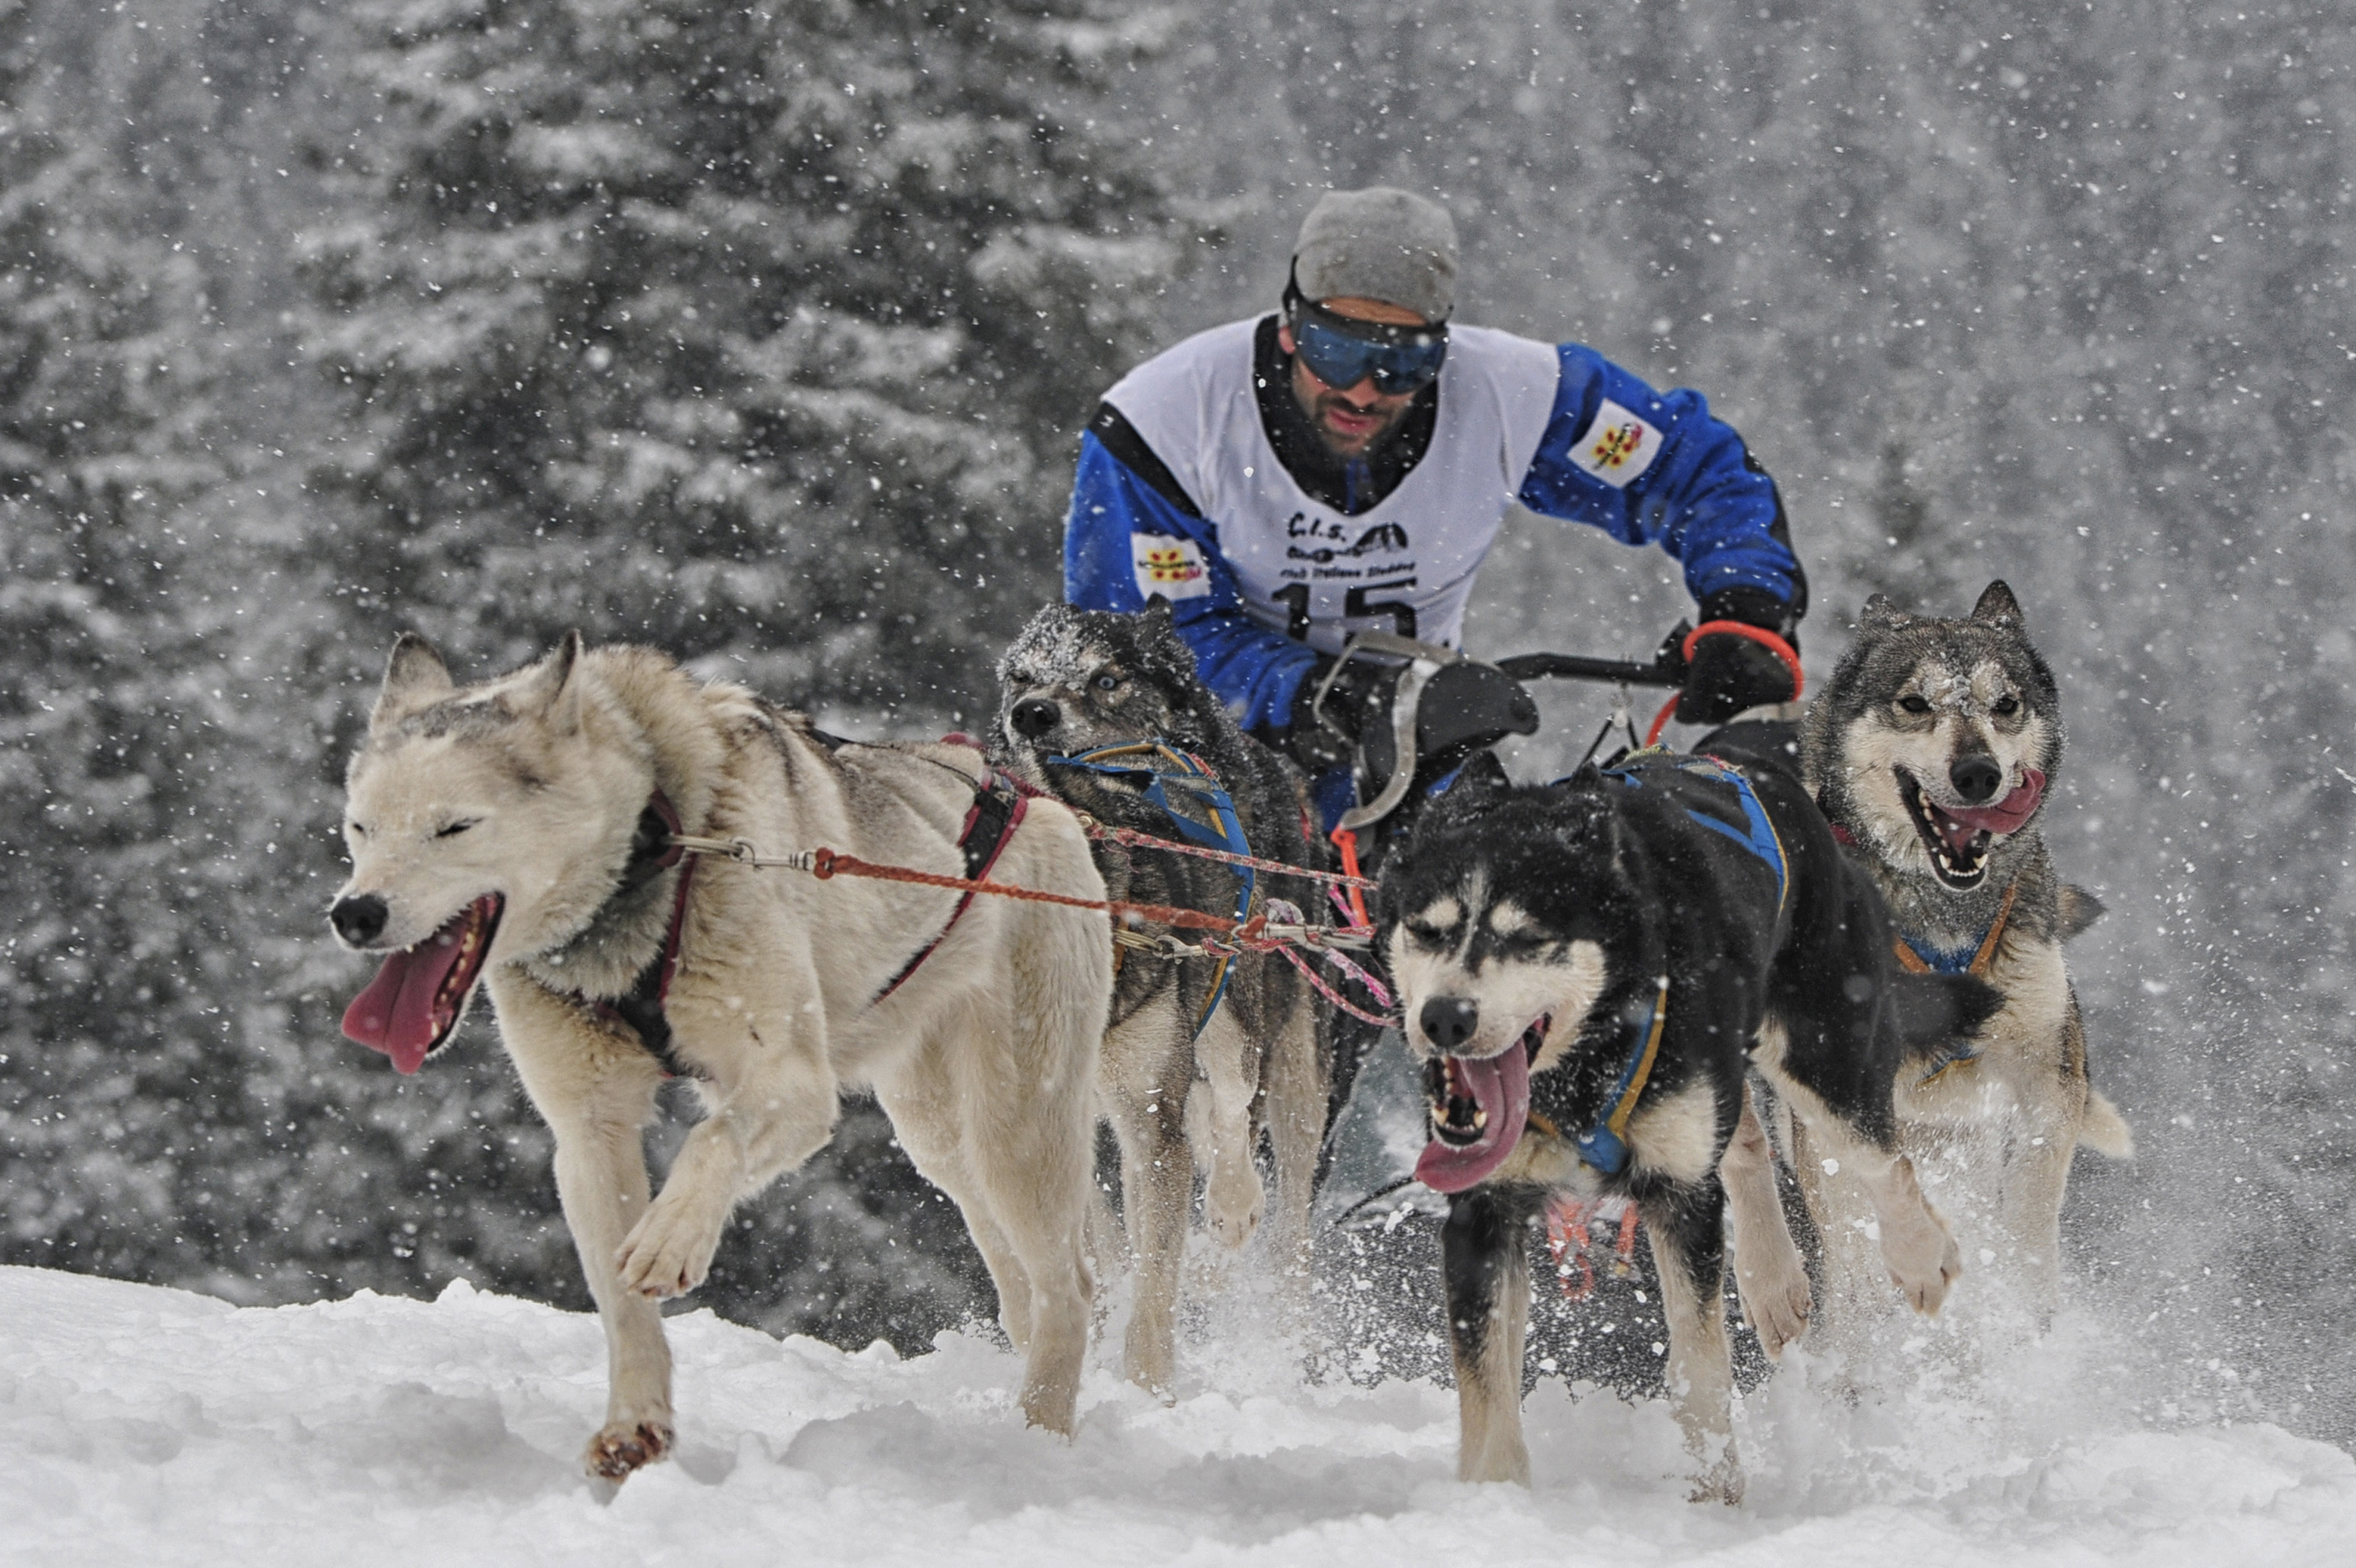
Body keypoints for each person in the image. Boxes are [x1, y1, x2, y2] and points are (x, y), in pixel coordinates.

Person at [1062, 185, 1807, 833]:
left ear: (1442, 349)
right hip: (1198, 758)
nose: (1361, 390)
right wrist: (1318, 694)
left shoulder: (1516, 395)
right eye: (1335, 347)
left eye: (1401, 361)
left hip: (1421, 752)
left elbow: (1698, 470)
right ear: (1290, 324)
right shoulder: (1163, 423)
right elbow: (1137, 644)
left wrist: (1743, 604)